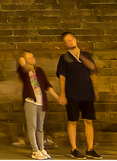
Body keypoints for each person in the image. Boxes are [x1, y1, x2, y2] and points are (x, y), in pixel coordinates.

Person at [56, 31, 100, 159]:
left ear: (76, 39)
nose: (71, 42)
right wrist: (62, 94)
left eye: (72, 39)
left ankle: (90, 149)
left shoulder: (86, 55)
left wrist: (96, 91)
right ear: (65, 44)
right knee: (73, 120)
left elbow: (94, 70)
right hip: (72, 93)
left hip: (87, 92)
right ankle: (74, 148)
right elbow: (62, 76)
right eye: (67, 41)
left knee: (88, 120)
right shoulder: (64, 58)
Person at [18, 50, 64, 161]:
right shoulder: (24, 72)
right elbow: (23, 68)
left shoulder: (39, 71)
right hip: (30, 101)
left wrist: (58, 97)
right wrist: (23, 61)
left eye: (33, 56)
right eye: (29, 57)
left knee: (40, 127)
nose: (32, 59)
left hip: (41, 101)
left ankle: (41, 149)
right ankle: (35, 150)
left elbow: (47, 86)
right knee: (32, 126)